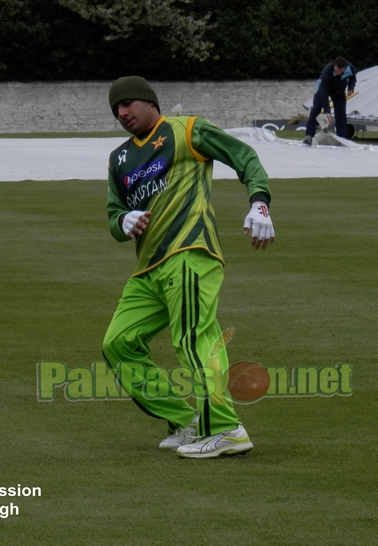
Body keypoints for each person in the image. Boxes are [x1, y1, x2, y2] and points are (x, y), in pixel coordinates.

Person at [102, 76, 275, 459]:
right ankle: (187, 420)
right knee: (118, 344)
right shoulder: (119, 159)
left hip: (189, 253)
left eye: (128, 103)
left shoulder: (188, 130)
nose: (122, 113)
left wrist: (259, 201)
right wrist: (123, 222)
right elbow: (114, 216)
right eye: (116, 108)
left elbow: (244, 157)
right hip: (147, 271)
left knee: (194, 340)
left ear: (150, 101)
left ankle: (227, 429)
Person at [303, 56, 357, 143]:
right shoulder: (327, 71)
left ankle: (341, 139)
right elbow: (324, 94)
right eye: (336, 71)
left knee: (341, 113)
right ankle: (309, 135)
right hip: (323, 89)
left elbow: (353, 78)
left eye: (341, 71)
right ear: (334, 65)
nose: (338, 73)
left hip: (339, 91)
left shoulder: (349, 67)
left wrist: (351, 87)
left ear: (345, 67)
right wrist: (327, 112)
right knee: (316, 108)